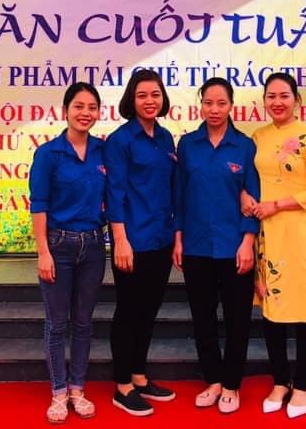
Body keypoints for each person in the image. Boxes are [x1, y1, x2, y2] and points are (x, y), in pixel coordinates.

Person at [173, 77, 260, 414]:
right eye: (208, 103)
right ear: (201, 105)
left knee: (238, 320)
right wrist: (178, 237)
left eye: (221, 103)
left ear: (231, 106)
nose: (214, 109)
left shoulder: (244, 146)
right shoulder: (187, 144)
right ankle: (212, 380)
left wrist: (248, 241)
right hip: (196, 247)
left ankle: (232, 384)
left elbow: (253, 196)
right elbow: (179, 195)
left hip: (234, 247)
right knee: (203, 318)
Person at [245, 72, 306, 419]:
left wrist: (277, 205)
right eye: (271, 96)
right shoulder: (257, 137)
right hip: (266, 233)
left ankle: (303, 385)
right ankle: (280, 381)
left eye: (284, 96)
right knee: (272, 305)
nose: (277, 102)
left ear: (297, 100)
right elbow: (246, 178)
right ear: (264, 101)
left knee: (305, 308)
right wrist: (246, 197)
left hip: (299, 232)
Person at [30, 82, 108, 424]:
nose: (85, 113)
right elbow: (39, 205)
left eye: (92, 107)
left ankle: (78, 388)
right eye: (79, 106)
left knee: (83, 322)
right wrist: (43, 252)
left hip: (93, 247)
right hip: (58, 247)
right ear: (65, 111)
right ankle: (58, 392)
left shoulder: (103, 151)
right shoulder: (48, 154)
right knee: (57, 323)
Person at [105, 69, 178, 416]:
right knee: (128, 312)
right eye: (142, 95)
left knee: (148, 311)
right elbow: (114, 192)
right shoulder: (120, 140)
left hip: (161, 239)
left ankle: (139, 375)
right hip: (132, 241)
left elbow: (171, 188)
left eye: (155, 94)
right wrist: (119, 239)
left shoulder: (165, 138)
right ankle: (122, 386)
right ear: (131, 100)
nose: (150, 101)